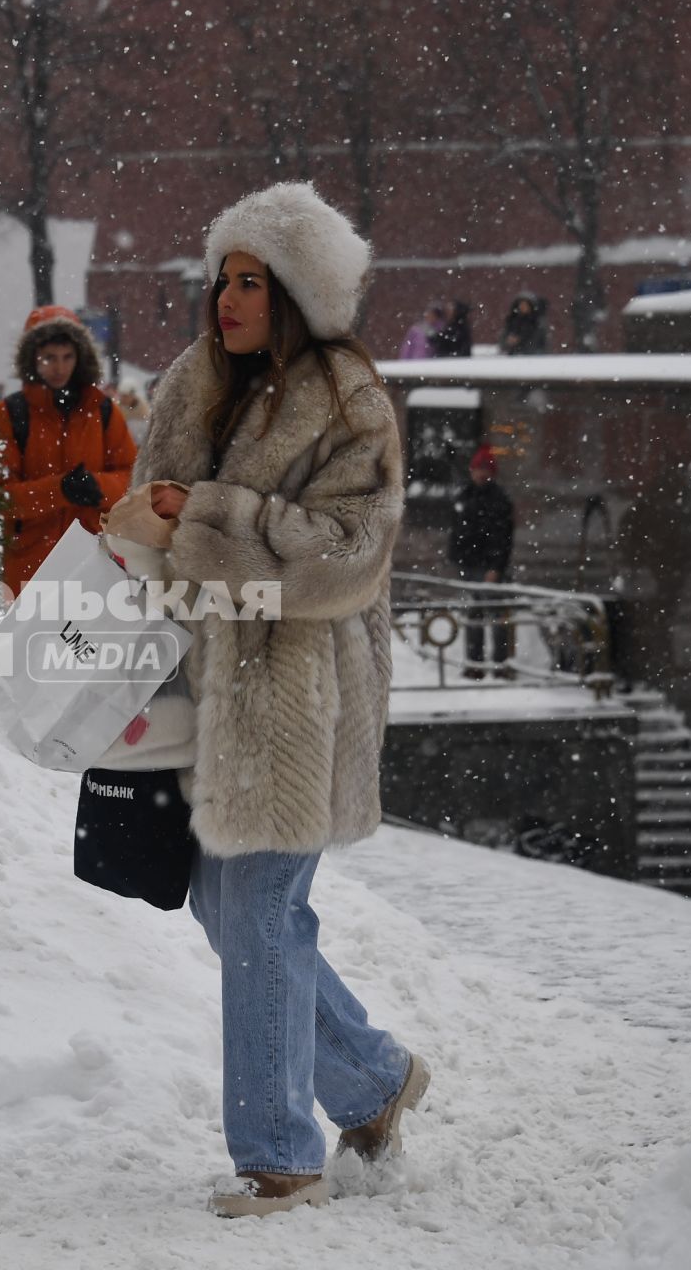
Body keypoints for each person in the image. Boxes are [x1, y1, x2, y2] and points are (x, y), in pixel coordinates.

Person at [130, 182, 428, 1217]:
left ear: (297, 291)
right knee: (228, 905)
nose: (228, 298)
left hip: (301, 689)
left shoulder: (349, 400)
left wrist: (206, 514)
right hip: (204, 686)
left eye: (252, 280)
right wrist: (152, 533)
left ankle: (279, 1154)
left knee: (257, 905)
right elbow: (151, 523)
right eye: (223, 277)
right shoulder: (190, 384)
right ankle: (375, 1080)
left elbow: (349, 555)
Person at [0, 305, 138, 592]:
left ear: (80, 357)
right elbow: (0, 497)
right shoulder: (9, 414)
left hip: (91, 564)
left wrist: (98, 486)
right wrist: (60, 490)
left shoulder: (102, 411)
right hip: (30, 566)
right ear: (33, 358)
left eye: (67, 357)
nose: (59, 367)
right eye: (49, 358)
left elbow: (132, 478)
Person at [449, 444, 517, 678]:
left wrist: (495, 567)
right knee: (474, 616)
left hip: (486, 567)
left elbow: (502, 537)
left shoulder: (496, 499)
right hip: (470, 564)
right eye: (478, 469)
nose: (481, 473)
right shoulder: (466, 495)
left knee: (494, 616)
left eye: (485, 469)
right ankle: (475, 664)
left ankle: (499, 665)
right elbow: (458, 530)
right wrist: (457, 557)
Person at [115, 382, 152, 447]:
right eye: (121, 396)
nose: (122, 399)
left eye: (125, 396)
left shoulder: (144, 412)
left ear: (132, 395)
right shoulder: (117, 410)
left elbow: (146, 434)